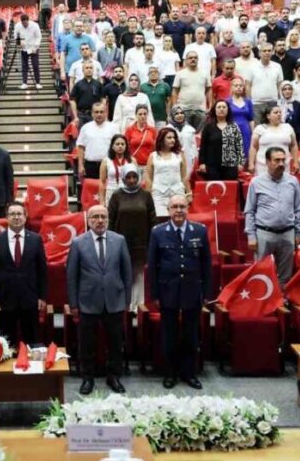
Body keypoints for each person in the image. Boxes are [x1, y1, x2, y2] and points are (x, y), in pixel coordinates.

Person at [146, 194, 212, 388]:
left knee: (191, 335)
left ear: (187, 209)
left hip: (192, 290)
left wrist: (206, 293)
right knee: (170, 335)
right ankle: (170, 373)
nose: (178, 210)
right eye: (174, 207)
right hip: (168, 291)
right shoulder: (158, 232)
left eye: (182, 206)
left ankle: (189, 373)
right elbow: (152, 266)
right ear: (168, 210)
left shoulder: (199, 231)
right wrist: (155, 294)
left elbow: (206, 264)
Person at [68, 205, 132, 395]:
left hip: (115, 300)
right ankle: (87, 378)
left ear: (108, 219)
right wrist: (73, 303)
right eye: (95, 217)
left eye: (103, 217)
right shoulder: (78, 243)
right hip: (87, 301)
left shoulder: (119, 240)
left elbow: (127, 272)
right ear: (89, 221)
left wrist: (127, 299)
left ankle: (114, 377)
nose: (100, 220)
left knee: (115, 343)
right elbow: (71, 276)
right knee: (87, 343)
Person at [0, 201, 47, 344]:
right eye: (12, 214)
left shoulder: (36, 240)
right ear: (6, 217)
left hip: (30, 299)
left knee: (32, 341)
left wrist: (42, 297)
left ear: (25, 217)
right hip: (5, 300)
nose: (16, 217)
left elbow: (42, 270)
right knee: (5, 344)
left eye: (19, 214)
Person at [244, 147, 300, 287]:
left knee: (285, 276)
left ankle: (282, 299)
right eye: (277, 160)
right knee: (261, 274)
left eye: (283, 160)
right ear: (267, 162)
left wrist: (299, 232)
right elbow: (250, 211)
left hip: (288, 233)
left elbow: (299, 208)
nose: (281, 163)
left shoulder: (293, 181)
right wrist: (251, 236)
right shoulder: (256, 182)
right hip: (264, 233)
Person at [107, 164, 155, 311]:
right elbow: (110, 220)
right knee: (123, 273)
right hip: (121, 242)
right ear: (123, 178)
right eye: (128, 177)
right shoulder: (116, 196)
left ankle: (138, 307)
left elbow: (152, 219)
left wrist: (152, 241)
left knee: (139, 274)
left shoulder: (146, 195)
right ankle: (124, 305)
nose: (132, 180)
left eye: (134, 176)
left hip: (141, 242)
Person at [145, 128, 190, 218]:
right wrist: (148, 196)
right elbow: (148, 178)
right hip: (158, 194)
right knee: (160, 218)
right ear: (161, 139)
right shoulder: (153, 156)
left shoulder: (179, 155)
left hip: (177, 192)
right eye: (169, 138)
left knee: (178, 218)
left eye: (174, 138)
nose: (173, 140)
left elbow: (184, 176)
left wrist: (188, 193)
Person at [197, 100, 245, 180]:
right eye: (219, 107)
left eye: (224, 107)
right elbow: (203, 147)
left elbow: (239, 145)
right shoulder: (208, 127)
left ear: (228, 110)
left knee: (230, 187)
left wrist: (240, 163)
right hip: (212, 166)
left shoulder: (234, 126)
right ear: (214, 110)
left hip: (231, 166)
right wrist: (202, 163)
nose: (221, 109)